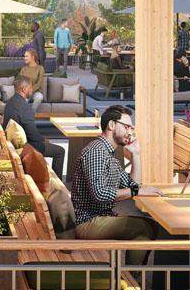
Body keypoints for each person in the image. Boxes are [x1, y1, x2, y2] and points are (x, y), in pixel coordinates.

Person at [68, 104, 154, 263]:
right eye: (127, 126)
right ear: (112, 125)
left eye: (132, 127)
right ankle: (131, 281)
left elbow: (132, 184)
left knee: (149, 226)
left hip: (99, 217)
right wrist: (136, 192)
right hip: (87, 222)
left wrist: (136, 154)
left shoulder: (109, 154)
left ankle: (130, 278)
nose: (131, 131)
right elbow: (100, 194)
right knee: (144, 228)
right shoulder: (96, 151)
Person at [2, 75, 64, 177]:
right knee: (60, 151)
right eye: (31, 87)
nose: (32, 90)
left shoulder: (10, 102)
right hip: (26, 146)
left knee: (46, 142)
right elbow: (32, 135)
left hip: (15, 144)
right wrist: (43, 140)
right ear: (24, 89)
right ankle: (58, 185)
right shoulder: (24, 106)